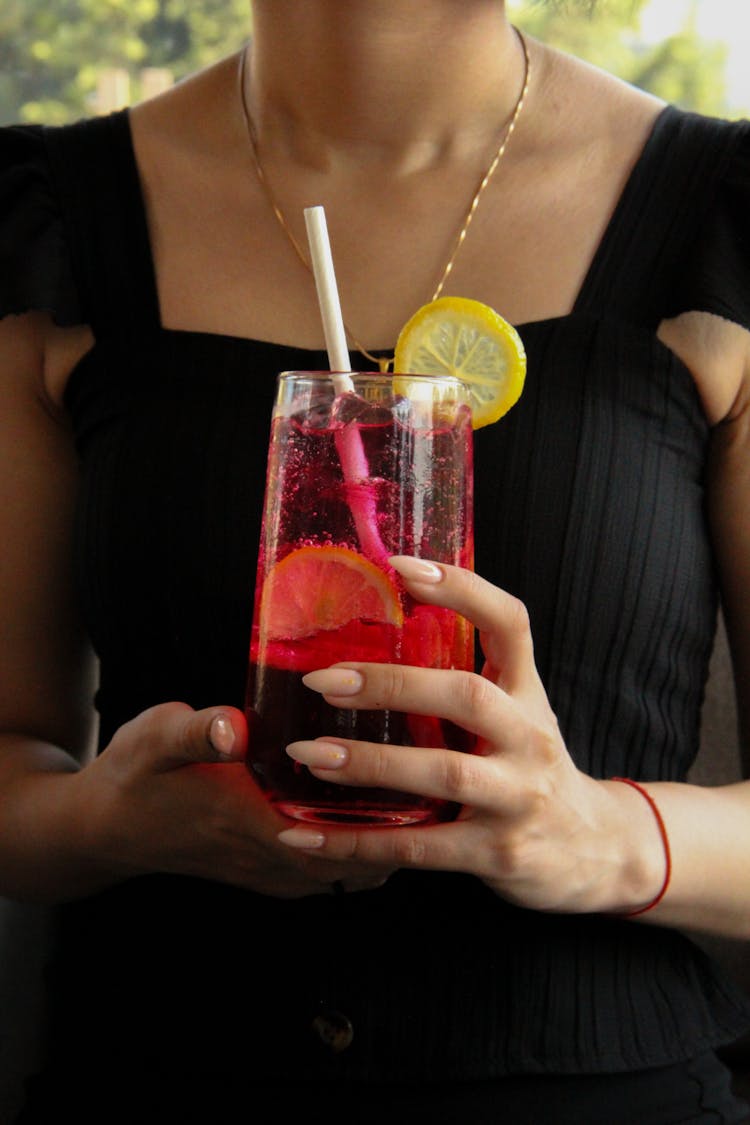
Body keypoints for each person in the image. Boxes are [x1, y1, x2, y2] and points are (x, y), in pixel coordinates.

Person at [1, 1, 749, 1121]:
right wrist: (103, 821)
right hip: (151, 1081)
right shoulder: (45, 224)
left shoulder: (723, 216)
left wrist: (601, 839)